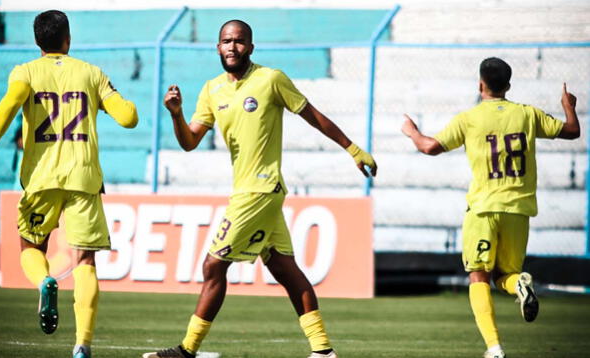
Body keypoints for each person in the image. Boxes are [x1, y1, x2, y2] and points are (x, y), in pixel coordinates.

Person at [142, 20, 377, 358]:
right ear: (217, 46)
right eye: (226, 41)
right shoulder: (212, 90)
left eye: (239, 41)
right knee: (284, 269)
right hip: (248, 191)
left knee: (213, 267)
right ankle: (323, 351)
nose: (232, 47)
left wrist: (353, 149)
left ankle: (187, 351)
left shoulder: (270, 79)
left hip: (260, 191)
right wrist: (176, 115)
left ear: (251, 47)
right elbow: (190, 141)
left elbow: (313, 115)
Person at [0, 10, 138, 358]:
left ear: (38, 41)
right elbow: (129, 118)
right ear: (68, 38)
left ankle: (45, 282)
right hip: (84, 178)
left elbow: (9, 105)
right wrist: (114, 99)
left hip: (40, 178)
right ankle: (82, 345)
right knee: (85, 261)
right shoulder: (91, 73)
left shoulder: (25, 72)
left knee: (30, 248)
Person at [401, 57, 580, 358]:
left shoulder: (469, 118)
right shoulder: (527, 114)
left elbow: (430, 147)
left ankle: (494, 348)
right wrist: (568, 105)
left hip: (483, 209)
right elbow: (572, 131)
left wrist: (411, 131)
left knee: (479, 276)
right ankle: (521, 284)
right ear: (508, 86)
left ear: (480, 84)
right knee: (506, 276)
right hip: (519, 210)